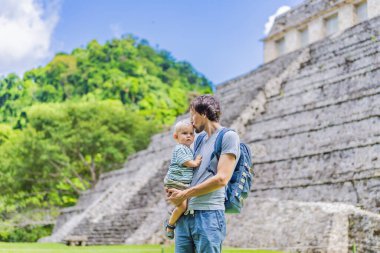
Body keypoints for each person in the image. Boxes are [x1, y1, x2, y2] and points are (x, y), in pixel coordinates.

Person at [166, 95, 240, 253]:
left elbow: (221, 179)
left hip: (208, 216)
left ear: (204, 113)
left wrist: (185, 193)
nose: (191, 120)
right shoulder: (198, 140)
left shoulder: (228, 136)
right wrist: (174, 189)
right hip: (185, 216)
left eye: (193, 114)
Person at [164, 120, 202, 239]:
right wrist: (195, 162)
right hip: (176, 182)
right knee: (183, 206)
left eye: (191, 133)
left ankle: (173, 217)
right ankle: (170, 225)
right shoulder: (180, 148)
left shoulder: (188, 149)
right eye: (185, 133)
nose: (189, 136)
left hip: (180, 182)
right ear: (176, 136)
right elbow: (185, 162)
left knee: (183, 205)